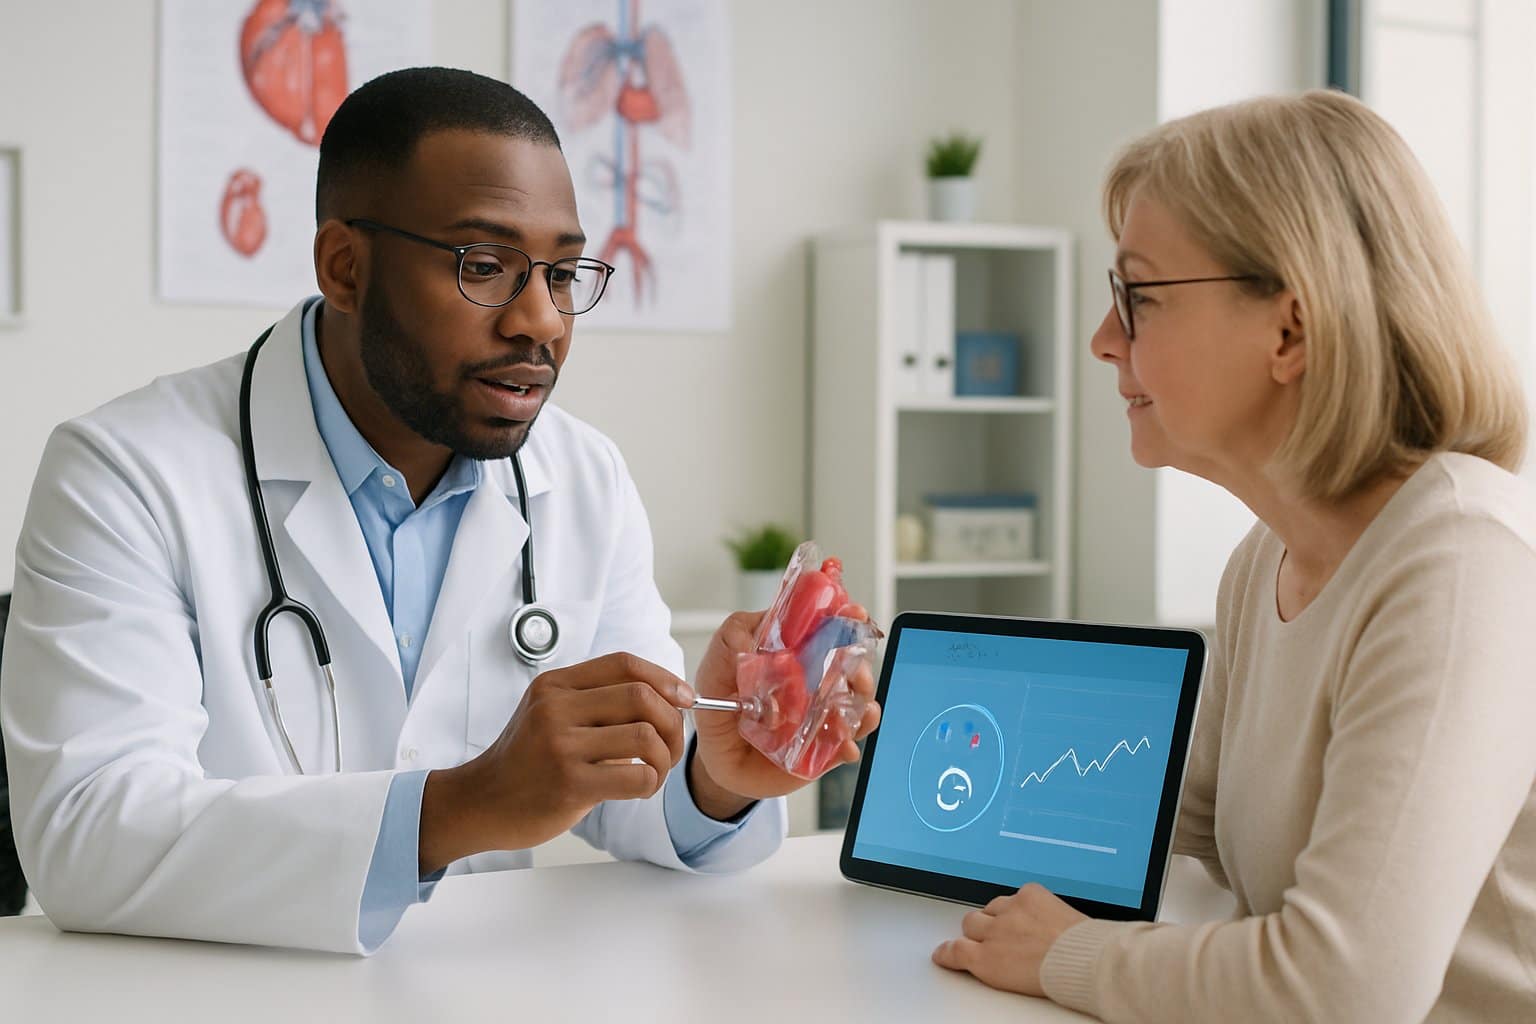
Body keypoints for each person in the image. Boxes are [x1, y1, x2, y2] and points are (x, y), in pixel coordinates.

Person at [0, 67, 878, 955]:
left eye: (564, 272)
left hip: (474, 990)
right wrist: (465, 803)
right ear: (345, 267)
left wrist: (713, 775)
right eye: (485, 266)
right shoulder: (124, 474)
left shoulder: (582, 477)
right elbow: (88, 833)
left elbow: (624, 791)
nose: (541, 320)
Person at [933, 89, 1536, 1021]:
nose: (1102, 342)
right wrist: (912, 747)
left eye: (1137, 297)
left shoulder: (1463, 564)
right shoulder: (1269, 561)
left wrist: (1074, 956)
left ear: (1288, 330)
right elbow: (1193, 826)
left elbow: (1344, 990)